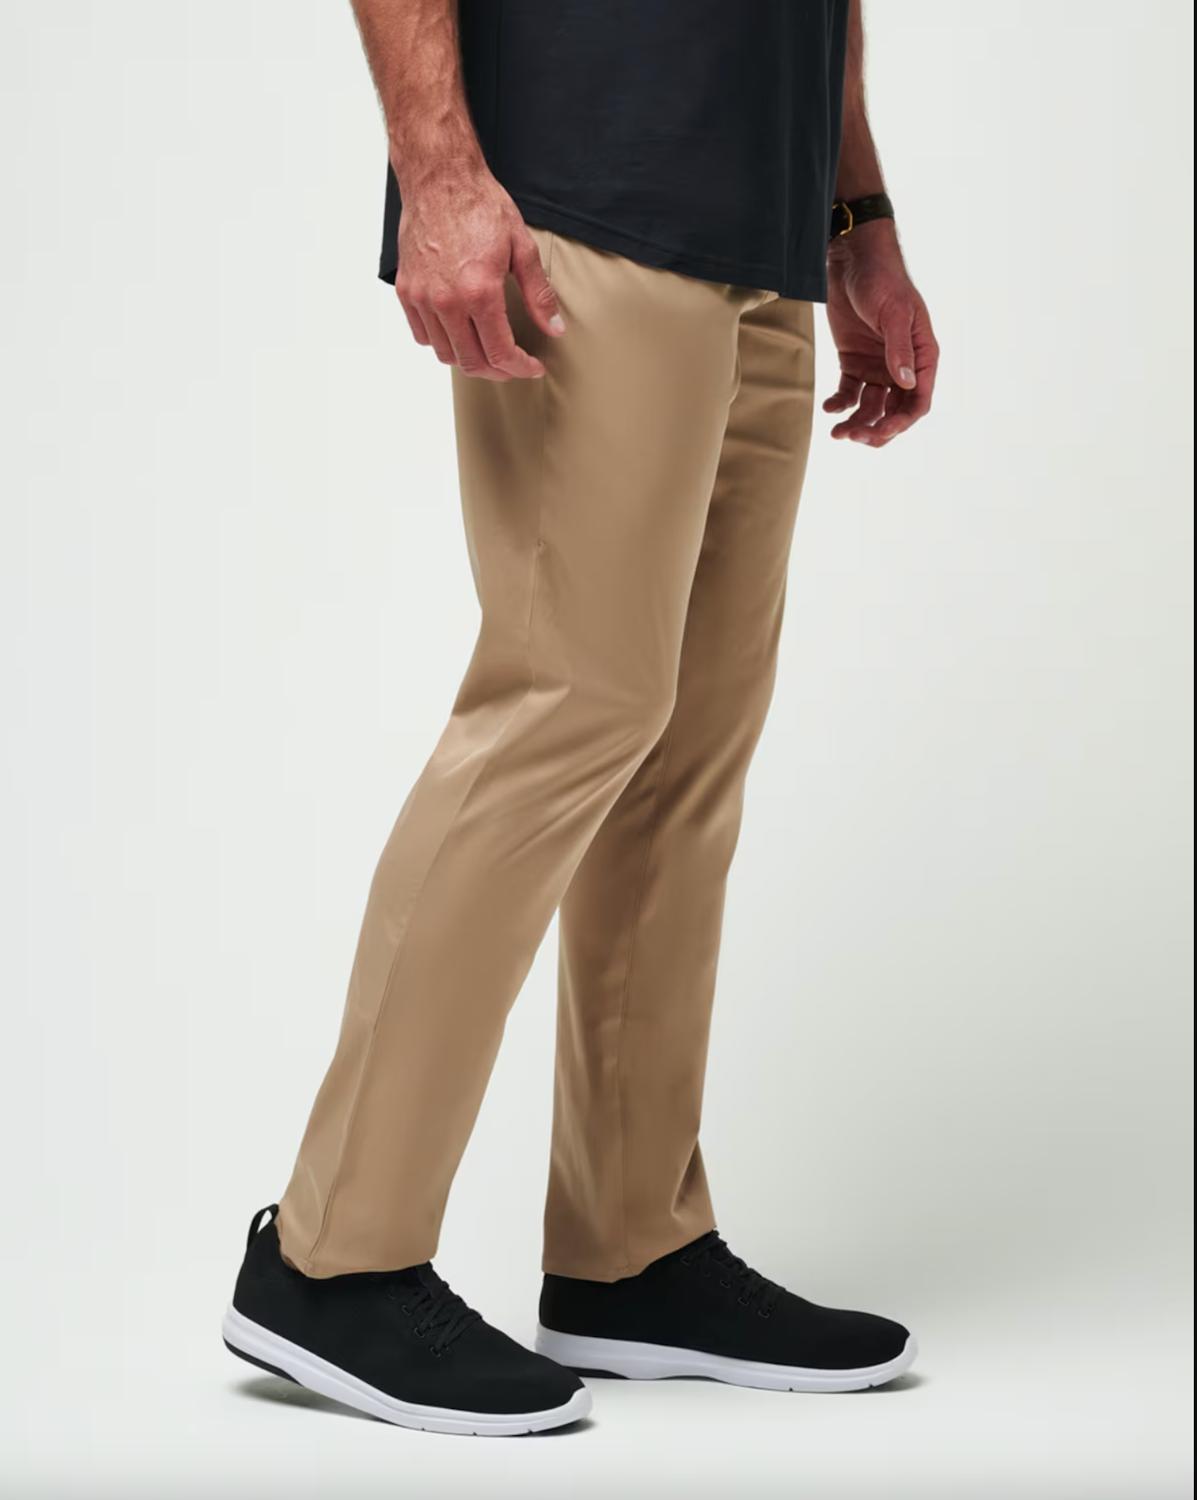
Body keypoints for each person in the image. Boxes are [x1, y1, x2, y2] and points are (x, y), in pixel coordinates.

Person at [222, 0, 939, 1436]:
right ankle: (331, 1257)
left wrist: (853, 209)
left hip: (765, 213)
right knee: (569, 697)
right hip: (587, 180)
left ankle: (632, 1251)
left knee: (687, 739)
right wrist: (436, 171)